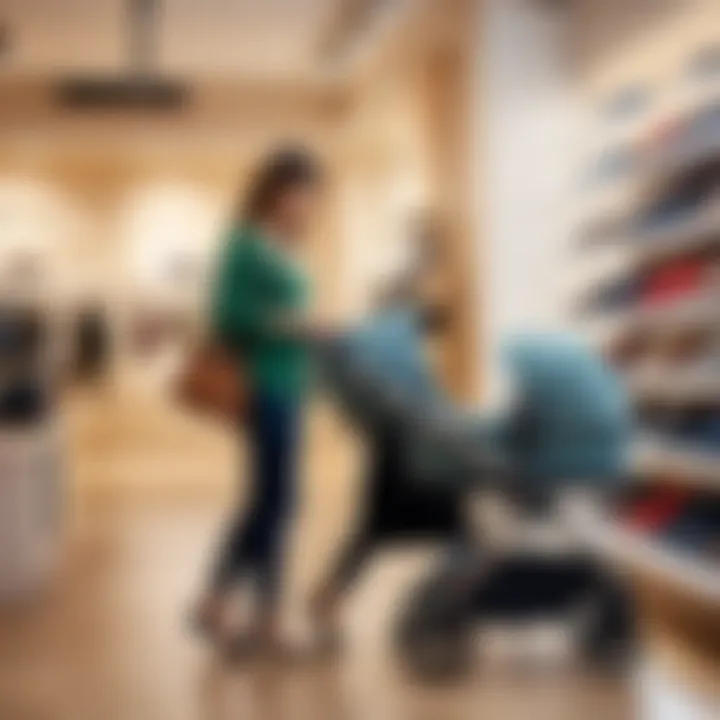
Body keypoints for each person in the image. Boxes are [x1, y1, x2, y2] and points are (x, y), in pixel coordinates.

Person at [195, 147, 325, 655]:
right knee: (276, 502)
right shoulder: (244, 244)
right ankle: (262, 617)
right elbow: (226, 318)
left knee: (274, 503)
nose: (306, 203)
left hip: (290, 384)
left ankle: (222, 603)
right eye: (298, 192)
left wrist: (310, 330)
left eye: (312, 194)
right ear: (272, 190)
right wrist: (295, 325)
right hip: (264, 383)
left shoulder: (285, 245)